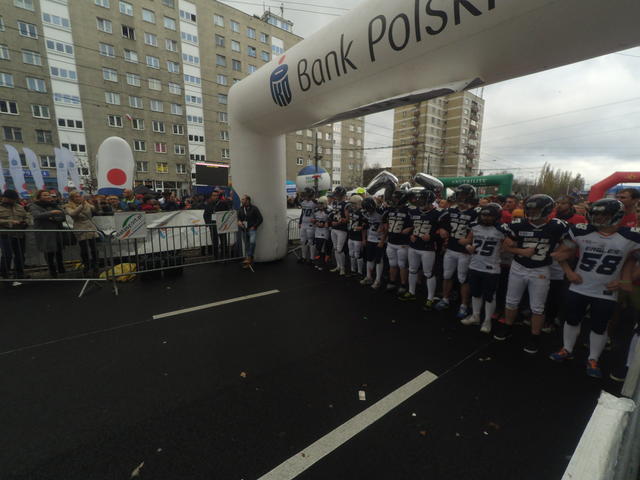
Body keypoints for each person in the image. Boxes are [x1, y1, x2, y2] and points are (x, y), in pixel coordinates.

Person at [549, 199, 640, 378]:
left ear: (616, 216)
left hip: (606, 290)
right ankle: (567, 349)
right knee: (572, 319)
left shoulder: (631, 236)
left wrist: (625, 280)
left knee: (599, 326)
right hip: (580, 286)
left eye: (603, 215)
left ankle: (593, 358)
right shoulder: (582, 231)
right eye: (596, 214)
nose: (598, 218)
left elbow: (635, 261)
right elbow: (559, 254)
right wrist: (569, 272)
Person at [493, 194, 569, 354]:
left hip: (541, 269)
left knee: (537, 307)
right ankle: (508, 327)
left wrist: (559, 253)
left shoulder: (557, 226)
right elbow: (506, 247)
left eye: (536, 209)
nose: (532, 212)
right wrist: (522, 251)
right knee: (511, 301)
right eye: (530, 209)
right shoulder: (518, 224)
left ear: (546, 210)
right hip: (518, 266)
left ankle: (535, 337)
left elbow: (569, 243)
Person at [459, 203, 507, 333]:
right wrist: (468, 246)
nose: (486, 218)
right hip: (475, 265)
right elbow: (465, 241)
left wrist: (502, 250)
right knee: (475, 293)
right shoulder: (475, 227)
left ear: (496, 216)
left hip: (491, 268)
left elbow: (509, 246)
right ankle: (475, 316)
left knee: (489, 296)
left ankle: (487, 320)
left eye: (489, 216)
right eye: (484, 215)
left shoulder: (501, 229)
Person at [435, 184, 479, 319]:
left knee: (463, 278)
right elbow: (439, 220)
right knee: (447, 275)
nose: (460, 198)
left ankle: (464, 305)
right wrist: (442, 229)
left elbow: (480, 231)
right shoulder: (450, 210)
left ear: (470, 197)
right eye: (459, 195)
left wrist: (470, 240)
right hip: (451, 249)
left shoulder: (476, 213)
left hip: (465, 251)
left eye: (463, 196)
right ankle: (445, 299)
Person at [400, 189, 441, 308]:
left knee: (428, 273)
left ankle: (430, 298)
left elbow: (444, 232)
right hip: (414, 245)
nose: (420, 202)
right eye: (420, 199)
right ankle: (411, 292)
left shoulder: (438, 213)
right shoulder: (414, 211)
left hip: (427, 248)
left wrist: (432, 236)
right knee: (412, 269)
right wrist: (411, 233)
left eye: (423, 199)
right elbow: (412, 226)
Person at [30, 189, 67, 277]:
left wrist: (53, 218)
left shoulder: (54, 205)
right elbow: (37, 215)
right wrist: (52, 212)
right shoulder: (34, 206)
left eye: (48, 195)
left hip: (56, 232)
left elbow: (62, 216)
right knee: (49, 253)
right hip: (45, 233)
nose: (48, 196)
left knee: (59, 252)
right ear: (39, 197)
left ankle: (61, 270)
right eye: (45, 195)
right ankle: (52, 272)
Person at [384, 188, 413, 294]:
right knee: (392, 263)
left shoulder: (409, 210)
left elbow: (416, 223)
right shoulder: (391, 209)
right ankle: (392, 281)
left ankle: (403, 284)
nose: (394, 200)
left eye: (396, 198)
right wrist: (385, 227)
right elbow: (385, 220)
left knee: (402, 264)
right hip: (391, 241)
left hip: (403, 243)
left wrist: (410, 228)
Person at [64, 191, 99, 276]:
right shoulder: (68, 206)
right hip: (80, 228)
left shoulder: (86, 204)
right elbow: (73, 214)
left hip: (90, 227)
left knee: (94, 248)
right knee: (84, 249)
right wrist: (81, 205)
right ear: (72, 198)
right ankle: (87, 266)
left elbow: (95, 210)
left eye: (79, 196)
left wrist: (96, 203)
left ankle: (95, 265)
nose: (78, 198)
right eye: (76, 196)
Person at [360, 196, 387, 289]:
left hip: (379, 239)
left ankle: (378, 280)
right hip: (370, 238)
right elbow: (364, 227)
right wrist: (364, 239)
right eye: (366, 209)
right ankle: (369, 277)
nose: (368, 211)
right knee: (369, 259)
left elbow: (386, 228)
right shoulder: (365, 213)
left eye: (369, 208)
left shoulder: (381, 212)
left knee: (379, 259)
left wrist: (382, 241)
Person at [0, 189, 28, 279]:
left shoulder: (20, 207)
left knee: (20, 255)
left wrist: (25, 222)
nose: (13, 200)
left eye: (14, 199)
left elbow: (27, 217)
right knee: (7, 255)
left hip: (19, 234)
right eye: (11, 198)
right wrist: (10, 222)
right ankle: (5, 274)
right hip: (5, 234)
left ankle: (19, 273)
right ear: (4, 198)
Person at [203, 189, 231, 259]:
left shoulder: (223, 203)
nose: (215, 197)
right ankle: (216, 257)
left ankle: (224, 256)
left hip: (221, 225)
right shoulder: (208, 204)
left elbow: (227, 213)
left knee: (223, 241)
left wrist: (226, 223)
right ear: (211, 196)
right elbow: (205, 215)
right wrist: (208, 224)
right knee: (215, 242)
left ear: (218, 196)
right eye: (214, 195)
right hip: (213, 226)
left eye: (216, 195)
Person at [237, 194, 262, 268]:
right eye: (241, 199)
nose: (241, 200)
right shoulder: (241, 209)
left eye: (243, 199)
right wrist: (239, 222)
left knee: (252, 243)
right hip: (244, 230)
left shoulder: (254, 208)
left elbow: (260, 219)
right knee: (247, 246)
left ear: (247, 200)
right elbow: (238, 218)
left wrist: (254, 226)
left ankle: (249, 258)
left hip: (252, 230)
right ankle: (249, 262)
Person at [329, 186, 349, 276]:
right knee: (335, 248)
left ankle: (343, 268)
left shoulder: (346, 204)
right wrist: (332, 221)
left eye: (338, 194)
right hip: (334, 228)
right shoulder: (334, 203)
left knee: (340, 249)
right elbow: (333, 214)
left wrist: (339, 222)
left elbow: (347, 219)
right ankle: (338, 266)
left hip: (341, 229)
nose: (336, 196)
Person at [346, 195, 365, 277]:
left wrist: (360, 228)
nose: (352, 205)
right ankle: (353, 270)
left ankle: (360, 272)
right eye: (352, 203)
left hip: (358, 236)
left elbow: (365, 225)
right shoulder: (351, 211)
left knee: (358, 254)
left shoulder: (362, 212)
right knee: (351, 253)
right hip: (351, 234)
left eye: (354, 203)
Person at [311, 196, 331, 271]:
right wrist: (315, 222)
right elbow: (313, 219)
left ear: (325, 203)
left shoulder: (329, 210)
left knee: (323, 248)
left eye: (321, 203)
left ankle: (323, 263)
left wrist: (324, 223)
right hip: (317, 231)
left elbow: (331, 220)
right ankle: (320, 262)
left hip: (325, 231)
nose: (319, 205)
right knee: (318, 247)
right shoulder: (316, 210)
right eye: (319, 203)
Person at [298, 188, 317, 265]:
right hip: (304, 223)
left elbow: (319, 212)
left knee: (311, 242)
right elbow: (302, 213)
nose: (305, 196)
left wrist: (316, 220)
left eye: (306, 194)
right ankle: (304, 257)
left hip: (311, 224)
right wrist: (300, 222)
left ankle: (312, 258)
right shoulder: (303, 202)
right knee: (303, 241)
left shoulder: (315, 203)